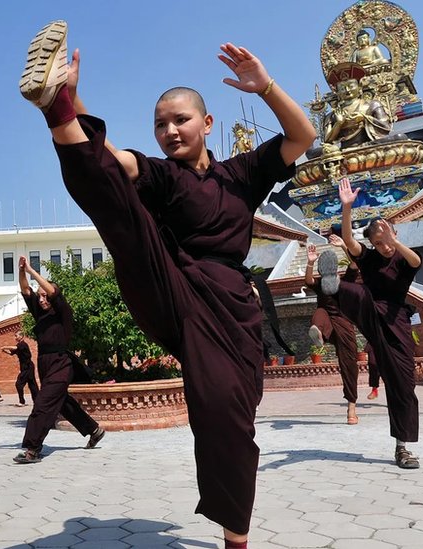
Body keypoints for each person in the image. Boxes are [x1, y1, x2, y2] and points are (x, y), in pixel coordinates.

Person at [18, 20, 314, 546]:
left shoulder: (243, 174)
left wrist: (264, 85)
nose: (170, 131)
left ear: (207, 121)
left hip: (231, 308)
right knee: (123, 215)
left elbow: (302, 136)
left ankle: (235, 537)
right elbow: (114, 162)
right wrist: (73, 98)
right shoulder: (160, 173)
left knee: (227, 417)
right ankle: (54, 110)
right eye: (160, 124)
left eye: (180, 120)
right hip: (171, 284)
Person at [334, 178, 422, 469]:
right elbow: (348, 241)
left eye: (387, 241)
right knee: (355, 291)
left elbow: (416, 262)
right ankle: (330, 286)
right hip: (372, 312)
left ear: (395, 235)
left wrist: (395, 242)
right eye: (377, 243)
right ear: (371, 243)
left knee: (404, 385)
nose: (384, 247)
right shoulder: (370, 259)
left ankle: (402, 447)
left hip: (396, 322)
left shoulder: (403, 259)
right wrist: (346, 209)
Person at [12, 256, 104, 465]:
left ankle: (32, 448)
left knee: (43, 405)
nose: (42, 299)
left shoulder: (63, 311)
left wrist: (32, 270)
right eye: (40, 297)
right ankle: (94, 430)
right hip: (45, 363)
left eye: (45, 296)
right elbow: (26, 289)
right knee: (62, 403)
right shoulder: (40, 313)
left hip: (62, 363)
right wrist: (21, 271)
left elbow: (53, 291)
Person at [304, 235, 361, 425]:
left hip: (328, 323)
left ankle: (318, 332)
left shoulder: (322, 285)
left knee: (319, 313)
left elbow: (308, 279)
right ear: (335, 266)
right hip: (343, 326)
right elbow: (355, 264)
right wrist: (345, 246)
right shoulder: (345, 281)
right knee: (349, 366)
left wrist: (310, 262)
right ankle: (351, 410)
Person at [2, 332, 38, 406]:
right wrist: (5, 351)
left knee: (19, 384)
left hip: (28, 367)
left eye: (16, 336)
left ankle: (22, 402)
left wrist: (5, 346)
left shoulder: (23, 344)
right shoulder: (19, 345)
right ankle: (37, 401)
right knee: (32, 385)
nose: (15, 337)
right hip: (26, 367)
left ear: (21, 336)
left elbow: (15, 348)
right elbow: (12, 353)